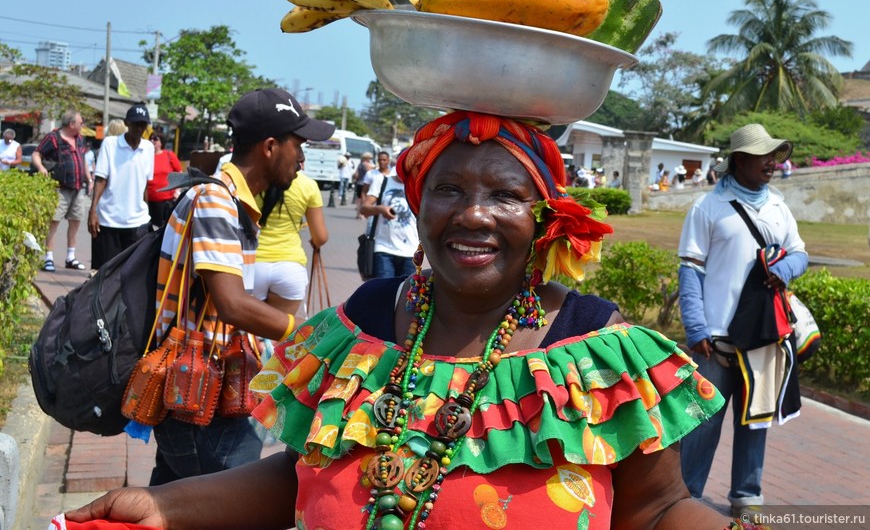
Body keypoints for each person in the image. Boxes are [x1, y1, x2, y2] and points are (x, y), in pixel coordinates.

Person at [67, 110, 731, 530]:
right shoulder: (364, 322)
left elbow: (659, 510)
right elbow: (300, 472)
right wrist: (164, 507)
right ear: (418, 205)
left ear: (545, 219)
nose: (474, 214)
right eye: (449, 189)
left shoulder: (596, 348)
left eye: (505, 195)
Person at [148, 87, 334, 485]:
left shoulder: (237, 203)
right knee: (228, 507)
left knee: (171, 505)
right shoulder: (216, 201)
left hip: (200, 393)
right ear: (270, 146)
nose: (303, 158)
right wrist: (309, 334)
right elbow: (232, 304)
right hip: (201, 400)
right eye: (298, 145)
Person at [677, 123, 809, 515]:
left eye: (774, 155)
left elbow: (800, 253)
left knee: (756, 422)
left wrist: (785, 270)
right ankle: (687, 499)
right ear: (739, 160)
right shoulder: (708, 207)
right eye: (762, 156)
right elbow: (690, 269)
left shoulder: (778, 208)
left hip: (763, 336)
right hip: (715, 339)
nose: (771, 163)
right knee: (702, 423)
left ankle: (747, 498)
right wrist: (696, 326)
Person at [254, 162, 329, 324]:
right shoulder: (308, 185)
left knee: (246, 335)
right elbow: (320, 237)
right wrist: (314, 240)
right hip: (290, 267)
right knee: (278, 335)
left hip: (252, 265)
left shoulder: (253, 180)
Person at [88, 104, 155, 270]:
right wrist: (93, 211)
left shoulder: (148, 148)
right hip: (109, 220)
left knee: (132, 274)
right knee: (104, 274)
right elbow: (101, 179)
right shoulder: (110, 144)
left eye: (143, 125)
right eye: (135, 124)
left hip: (137, 222)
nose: (139, 128)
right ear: (127, 123)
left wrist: (148, 211)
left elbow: (145, 184)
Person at [31, 110, 94, 271]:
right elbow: (36, 154)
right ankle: (49, 258)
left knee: (75, 221)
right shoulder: (54, 138)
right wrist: (41, 168)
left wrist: (89, 178)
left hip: (78, 188)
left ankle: (70, 257)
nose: (82, 125)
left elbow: (83, 161)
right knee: (54, 221)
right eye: (80, 122)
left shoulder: (79, 138)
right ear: (71, 124)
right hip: (60, 188)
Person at [359, 155, 418, 279]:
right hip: (383, 249)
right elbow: (364, 209)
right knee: (384, 293)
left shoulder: (418, 187)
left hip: (409, 251)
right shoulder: (383, 181)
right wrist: (380, 209)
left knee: (406, 295)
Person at [146, 131, 183, 230]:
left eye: (155, 139)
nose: (152, 140)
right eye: (151, 138)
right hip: (148, 200)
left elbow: (179, 172)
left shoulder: (169, 155)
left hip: (165, 201)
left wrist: (177, 190)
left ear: (161, 142)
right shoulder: (145, 155)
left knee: (163, 229)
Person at [352, 151, 374, 218]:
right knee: (364, 199)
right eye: (369, 158)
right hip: (365, 183)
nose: (370, 159)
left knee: (359, 199)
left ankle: (358, 214)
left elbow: (356, 174)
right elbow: (370, 172)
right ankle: (362, 214)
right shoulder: (366, 164)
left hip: (359, 182)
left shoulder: (360, 164)